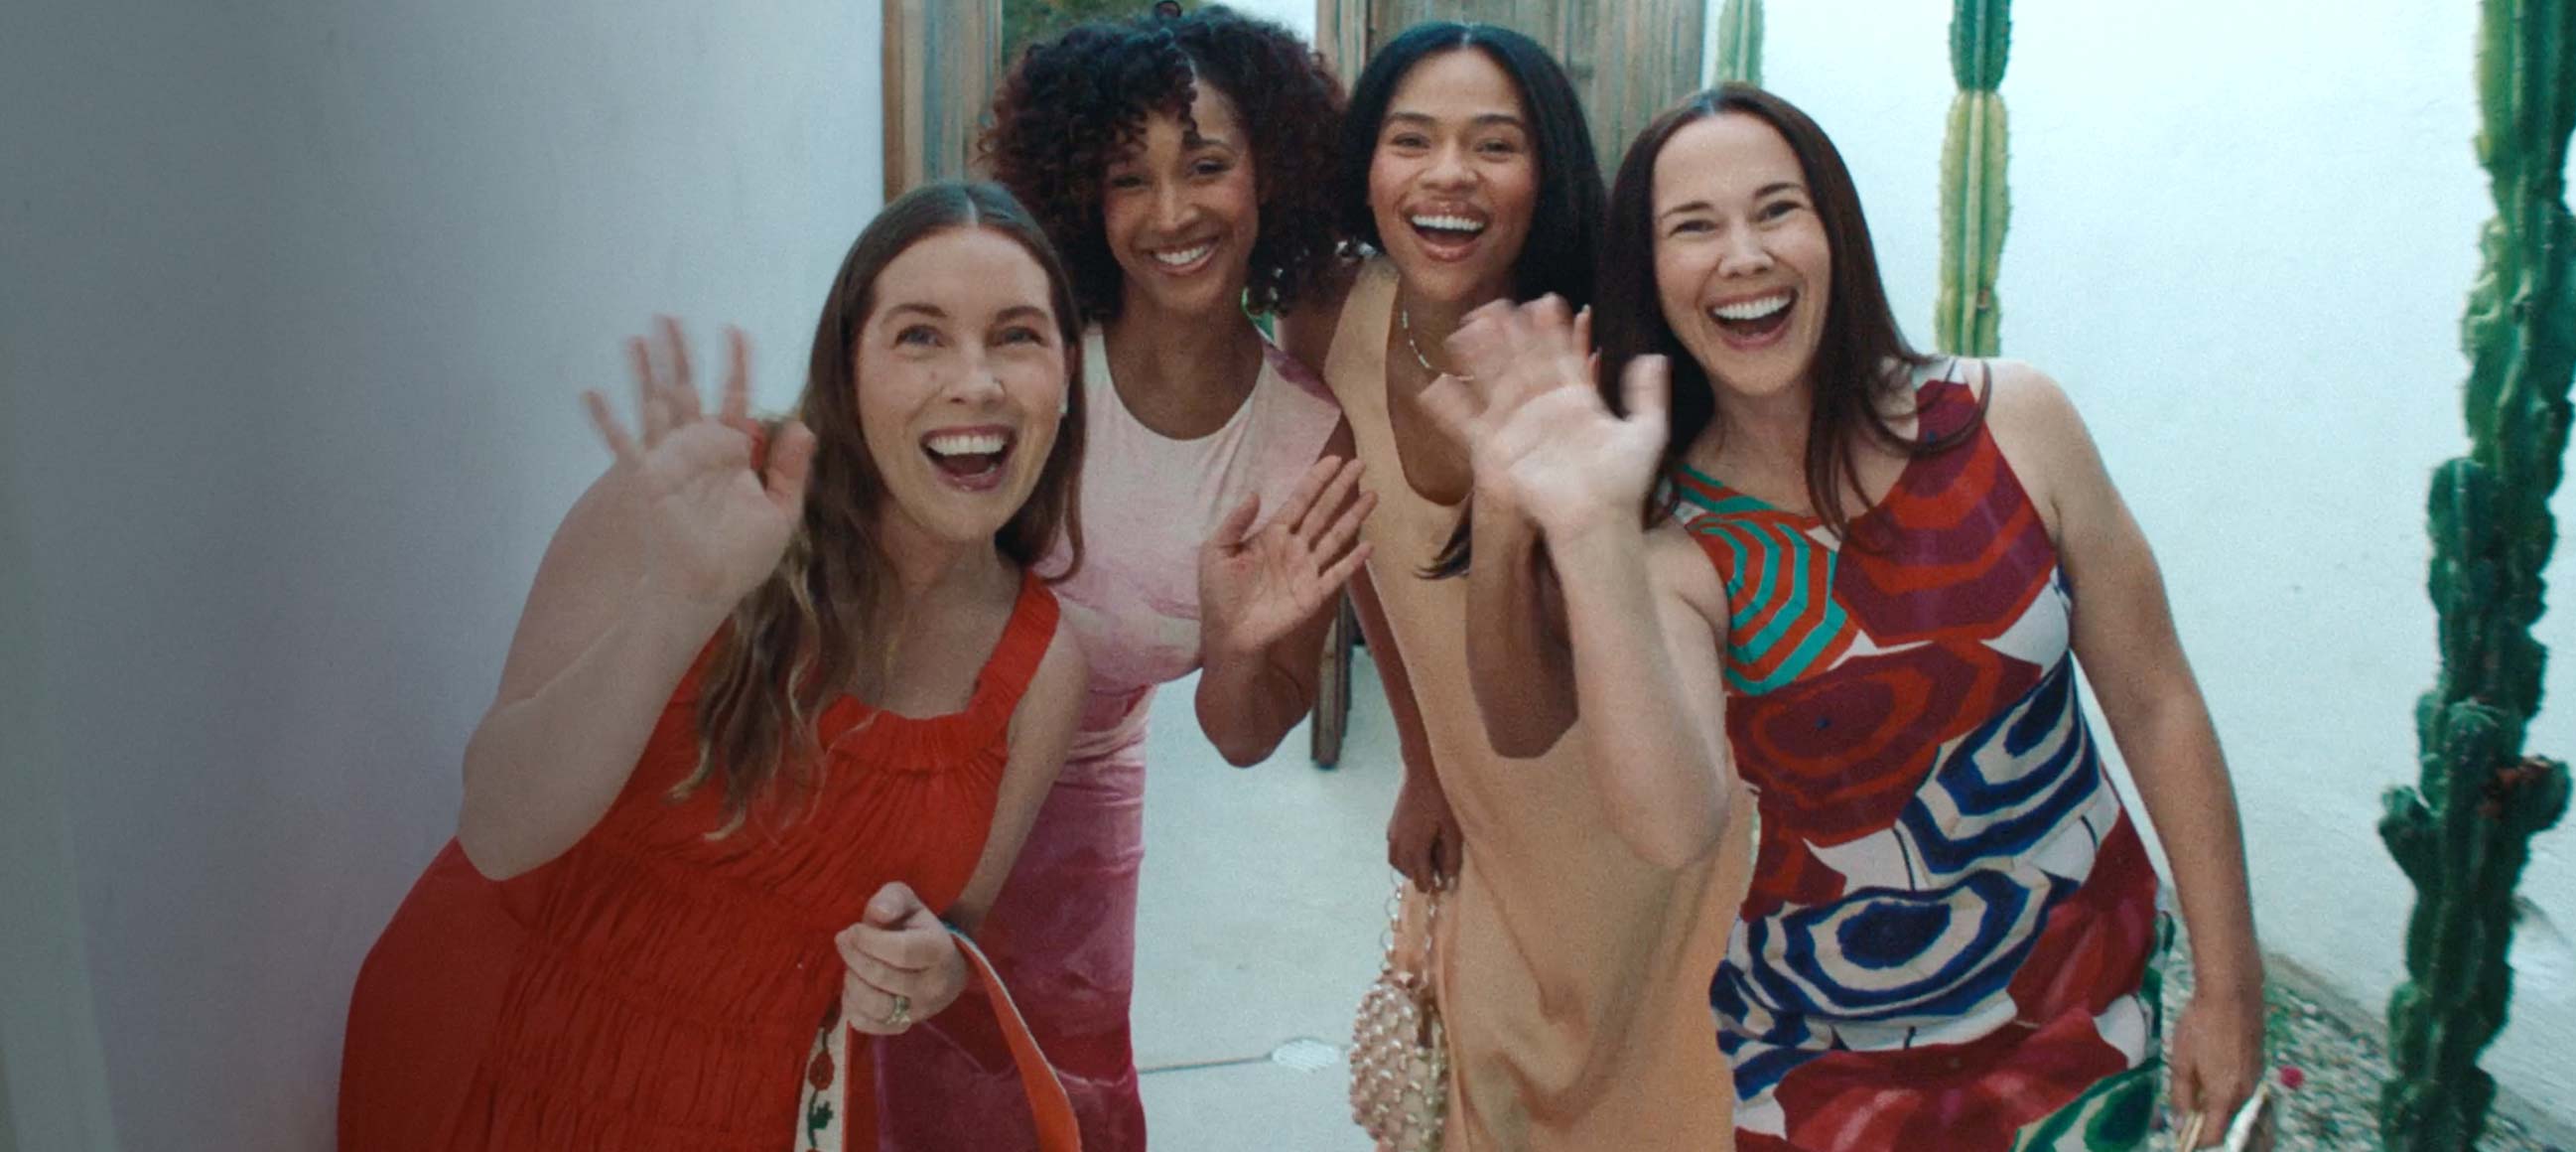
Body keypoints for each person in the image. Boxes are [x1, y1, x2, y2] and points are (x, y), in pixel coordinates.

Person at [1429, 85, 2268, 1150]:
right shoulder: (1676, 544)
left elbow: (2156, 701)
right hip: (1828, 1058)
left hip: (2086, 1006)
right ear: (1652, 274)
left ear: (1836, 231)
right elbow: (1673, 825)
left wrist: (2231, 983)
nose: (1743, 256)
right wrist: (1591, 531)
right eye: (1694, 226)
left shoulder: (2017, 418)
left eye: (1777, 209)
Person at [339, 181, 1093, 1150]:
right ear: (846, 370)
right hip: (498, 1066)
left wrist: (934, 971)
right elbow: (495, 831)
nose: (975, 382)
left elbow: (950, 928)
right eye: (920, 335)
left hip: (749, 1114)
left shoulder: (1045, 668)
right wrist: (680, 603)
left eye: (1016, 336)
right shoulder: (695, 497)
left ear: (1066, 378)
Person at [883, 9, 1386, 1149]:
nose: (1170, 213)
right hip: (923, 740)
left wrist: (1238, 641)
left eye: (1205, 165)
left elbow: (1243, 735)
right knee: (893, 1063)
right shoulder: (1036, 357)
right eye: (1128, 177)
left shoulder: (1307, 443)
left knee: (1061, 1073)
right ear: (1082, 195)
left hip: (1086, 778)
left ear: (1270, 175)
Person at [1280, 23, 1753, 1150]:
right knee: (1488, 1095)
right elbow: (1366, 556)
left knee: (1661, 1099)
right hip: (1487, 818)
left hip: (1633, 812)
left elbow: (1559, 688)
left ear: (1547, 175)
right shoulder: (1330, 315)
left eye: (1495, 144)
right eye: (1412, 140)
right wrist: (1421, 762)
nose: (1449, 175)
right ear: (1367, 165)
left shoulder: (1602, 351)